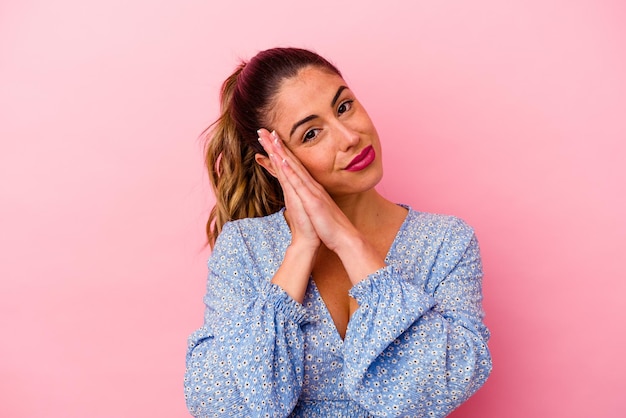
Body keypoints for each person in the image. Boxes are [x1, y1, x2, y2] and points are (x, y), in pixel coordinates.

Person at [184, 47, 492, 417]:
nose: (349, 137)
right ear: (272, 164)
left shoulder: (446, 243)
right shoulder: (245, 248)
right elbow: (221, 405)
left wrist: (349, 243)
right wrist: (301, 248)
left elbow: (439, 385)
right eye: (312, 133)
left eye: (344, 106)